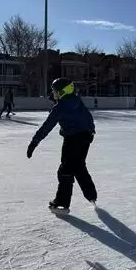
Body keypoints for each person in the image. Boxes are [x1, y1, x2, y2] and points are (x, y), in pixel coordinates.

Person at [26, 78, 97, 215]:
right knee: (78, 166)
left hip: (72, 139)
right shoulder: (77, 101)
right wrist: (91, 131)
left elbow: (46, 127)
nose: (52, 93)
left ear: (61, 92)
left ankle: (62, 203)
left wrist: (34, 143)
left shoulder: (59, 108)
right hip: (84, 138)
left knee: (65, 171)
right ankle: (91, 195)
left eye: (54, 91)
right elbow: (88, 117)